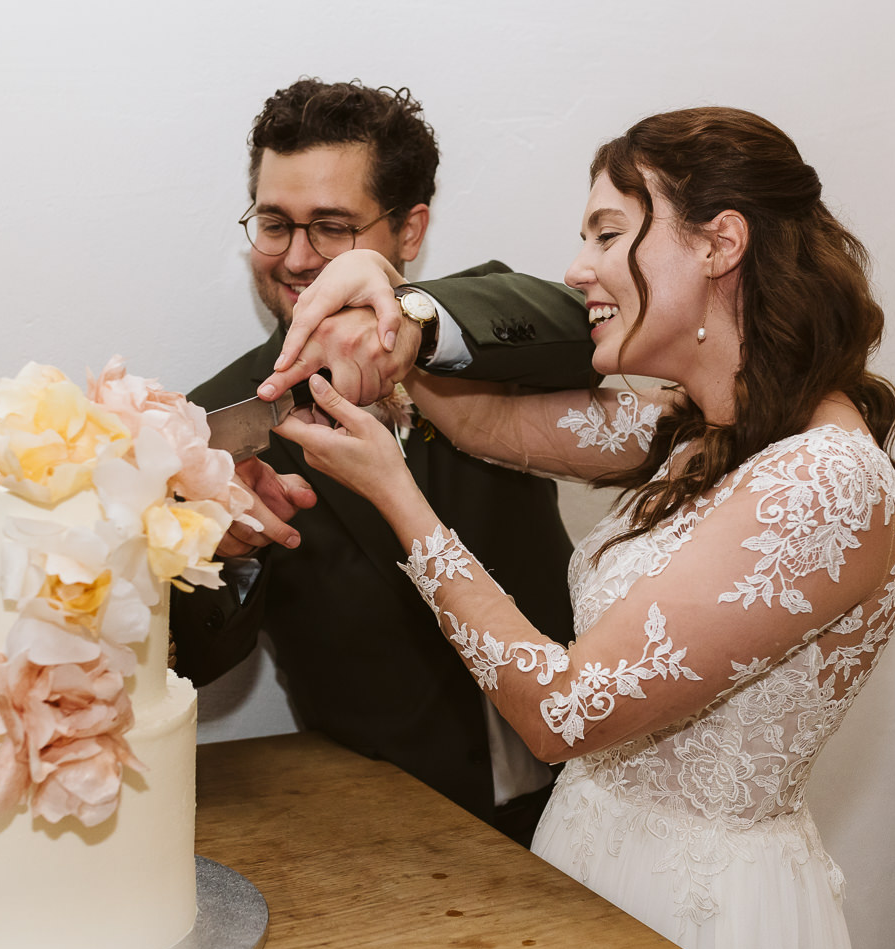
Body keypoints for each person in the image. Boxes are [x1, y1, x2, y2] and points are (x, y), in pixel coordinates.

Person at [270, 106, 895, 949]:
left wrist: (400, 501)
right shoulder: (694, 435)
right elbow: (483, 423)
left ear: (720, 244)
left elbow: (566, 712)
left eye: (609, 234)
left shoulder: (825, 482)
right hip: (585, 873)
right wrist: (391, 304)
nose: (578, 268)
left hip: (708, 925)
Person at [170, 79, 596, 846]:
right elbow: (193, 665)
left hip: (590, 793)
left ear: (409, 230)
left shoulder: (479, 329)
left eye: (330, 227)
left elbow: (591, 329)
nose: (297, 259)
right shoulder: (213, 425)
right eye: (275, 223)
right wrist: (223, 554)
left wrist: (418, 325)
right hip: (389, 835)